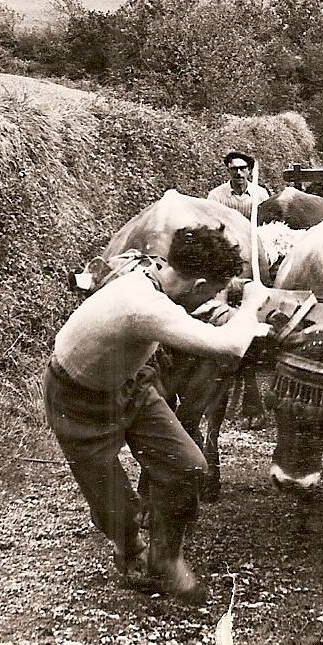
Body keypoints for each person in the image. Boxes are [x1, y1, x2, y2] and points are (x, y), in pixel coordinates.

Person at [44, 225, 272, 604]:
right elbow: (230, 348)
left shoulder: (153, 274)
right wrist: (250, 304)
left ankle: (166, 560)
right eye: (213, 291)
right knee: (115, 509)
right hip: (77, 399)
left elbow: (195, 310)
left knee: (186, 467)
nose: (213, 298)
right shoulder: (146, 306)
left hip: (131, 385)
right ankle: (131, 551)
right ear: (198, 282)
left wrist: (232, 296)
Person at [207, 151, 270, 220]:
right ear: (228, 171)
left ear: (249, 170)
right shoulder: (216, 195)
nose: (238, 173)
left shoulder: (261, 194)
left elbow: (266, 222)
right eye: (234, 169)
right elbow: (210, 222)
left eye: (242, 168)